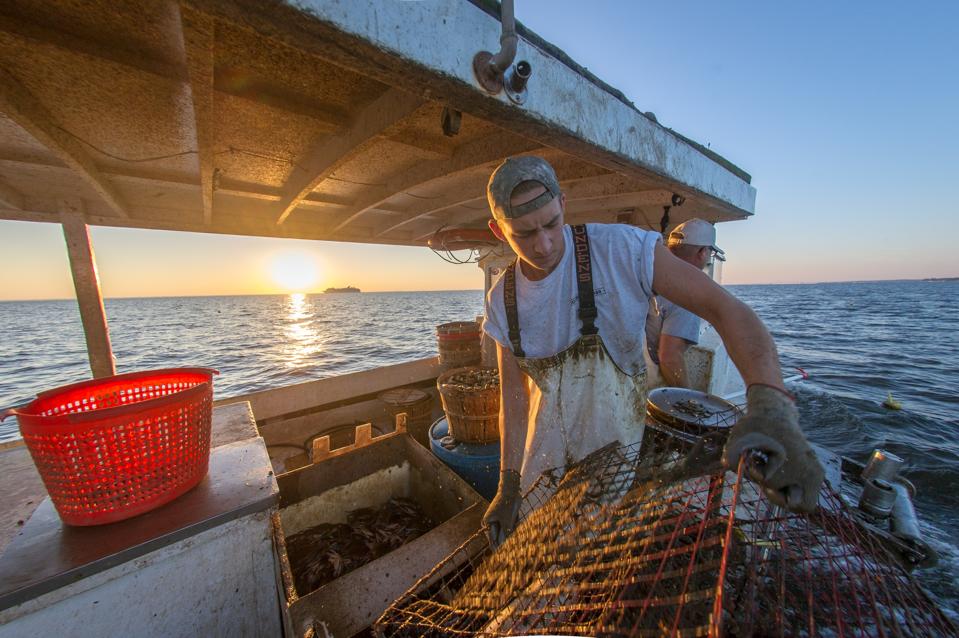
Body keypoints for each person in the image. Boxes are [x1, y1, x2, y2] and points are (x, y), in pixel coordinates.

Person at [480, 155, 824, 547]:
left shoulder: (622, 251)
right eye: (523, 233)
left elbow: (727, 311)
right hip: (541, 469)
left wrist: (771, 406)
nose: (542, 244)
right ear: (497, 229)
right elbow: (514, 398)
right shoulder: (501, 299)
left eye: (551, 224)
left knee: (602, 557)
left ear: (563, 205)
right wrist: (507, 486)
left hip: (615, 458)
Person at [644, 218, 724, 388]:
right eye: (710, 252)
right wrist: (686, 399)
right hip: (648, 390)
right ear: (702, 252)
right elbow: (669, 357)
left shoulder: (648, 276)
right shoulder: (686, 294)